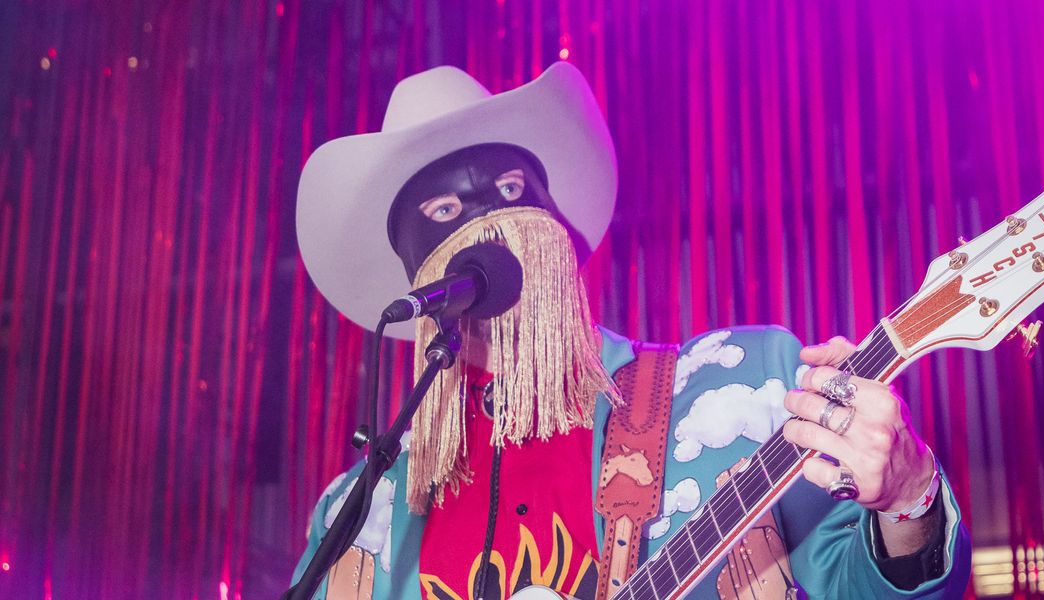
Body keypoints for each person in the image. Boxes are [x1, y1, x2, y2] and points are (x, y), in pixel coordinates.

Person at [291, 62, 971, 599]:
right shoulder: (358, 512)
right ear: (417, 283)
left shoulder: (747, 385)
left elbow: (869, 586)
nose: (489, 226)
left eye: (507, 192)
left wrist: (909, 498)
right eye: (442, 210)